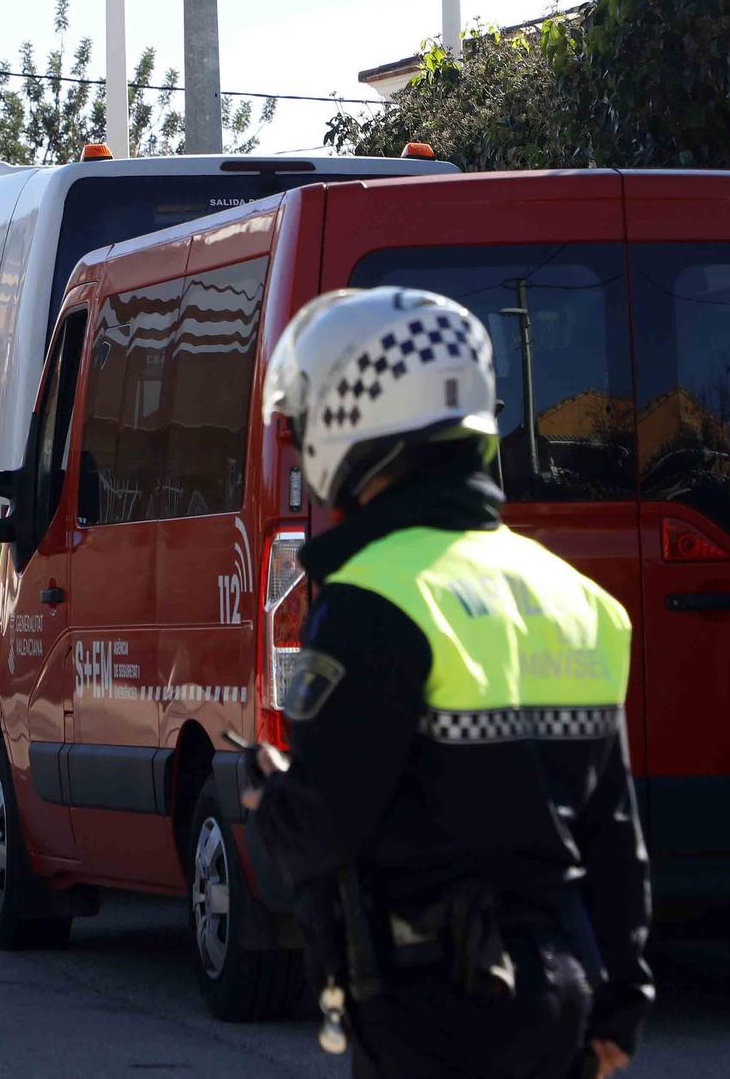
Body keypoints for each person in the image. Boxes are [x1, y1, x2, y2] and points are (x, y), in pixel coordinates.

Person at [246, 288, 652, 1079]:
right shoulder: (576, 598)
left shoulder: (375, 599)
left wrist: (268, 799)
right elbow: (614, 837)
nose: (300, 442)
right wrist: (621, 1010)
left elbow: (329, 817)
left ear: (361, 414)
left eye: (309, 417)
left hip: (433, 1013)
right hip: (561, 1001)